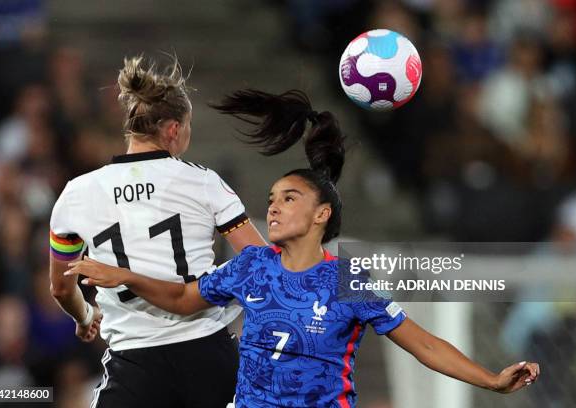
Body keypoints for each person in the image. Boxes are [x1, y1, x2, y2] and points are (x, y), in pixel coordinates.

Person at [65, 89, 540, 408]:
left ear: (321, 214)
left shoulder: (347, 280)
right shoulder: (252, 265)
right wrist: (127, 277)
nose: (272, 208)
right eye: (270, 199)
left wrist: (491, 380)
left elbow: (424, 343)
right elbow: (184, 299)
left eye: (288, 199)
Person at [49, 56, 266, 408]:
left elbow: (61, 287)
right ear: (173, 130)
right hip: (208, 351)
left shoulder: (76, 194)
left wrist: (85, 317)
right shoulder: (205, 182)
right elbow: (260, 261)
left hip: (135, 363)